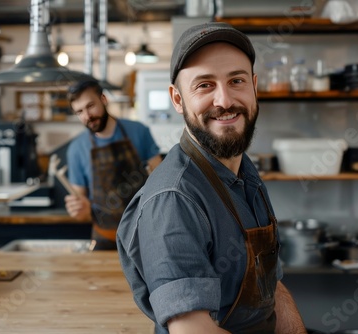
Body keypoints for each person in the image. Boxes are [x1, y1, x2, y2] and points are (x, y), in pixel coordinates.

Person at [116, 22, 307, 333]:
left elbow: (272, 287)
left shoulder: (243, 171)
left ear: (254, 87)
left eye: (236, 81)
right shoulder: (174, 198)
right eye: (204, 85)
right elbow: (193, 329)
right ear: (177, 100)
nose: (224, 100)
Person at [65, 74, 162, 250]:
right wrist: (80, 210)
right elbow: (81, 211)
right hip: (104, 240)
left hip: (147, 236)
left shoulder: (138, 131)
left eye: (90, 106)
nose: (87, 116)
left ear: (104, 99)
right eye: (79, 112)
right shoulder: (76, 149)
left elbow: (161, 179)